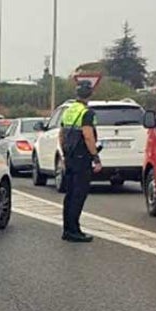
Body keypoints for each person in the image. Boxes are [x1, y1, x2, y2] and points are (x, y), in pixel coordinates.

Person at [59, 81, 101, 242]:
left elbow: (61, 134)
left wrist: (64, 155)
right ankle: (74, 230)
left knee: (70, 195)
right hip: (82, 158)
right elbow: (88, 136)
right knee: (79, 195)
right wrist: (96, 158)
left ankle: (67, 229)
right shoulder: (87, 113)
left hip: (69, 157)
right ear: (90, 94)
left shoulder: (69, 110)